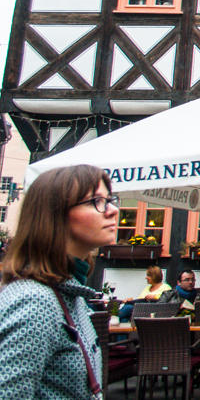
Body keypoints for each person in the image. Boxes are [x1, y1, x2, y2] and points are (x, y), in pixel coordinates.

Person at [0, 164, 118, 400]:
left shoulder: (69, 293)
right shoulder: (34, 301)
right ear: (54, 215)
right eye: (97, 201)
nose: (113, 210)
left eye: (109, 200)